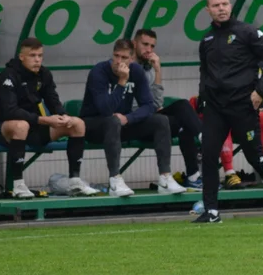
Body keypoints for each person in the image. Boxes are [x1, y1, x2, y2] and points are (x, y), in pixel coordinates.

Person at [195, 0, 263, 223]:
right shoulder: (207, 40)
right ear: (208, 10)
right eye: (216, 5)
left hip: (242, 105)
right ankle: (211, 211)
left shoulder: (247, 32)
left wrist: (260, 91)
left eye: (225, 4)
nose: (221, 8)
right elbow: (204, 72)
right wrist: (203, 99)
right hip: (216, 108)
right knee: (208, 155)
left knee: (254, 156)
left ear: (230, 6)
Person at [0, 38, 97, 200]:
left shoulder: (44, 74)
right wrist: (45, 120)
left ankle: (75, 181)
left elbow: (53, 100)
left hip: (33, 126)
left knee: (77, 124)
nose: (37, 60)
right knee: (21, 126)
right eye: (32, 55)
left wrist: (63, 116)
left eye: (40, 56)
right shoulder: (8, 76)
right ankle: (18, 185)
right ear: (21, 57)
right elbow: (10, 111)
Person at [80, 39, 187, 198]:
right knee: (112, 121)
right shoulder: (99, 72)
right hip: (93, 126)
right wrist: (122, 81)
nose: (118, 61)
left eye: (124, 58)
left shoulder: (136, 71)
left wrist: (129, 118)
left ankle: (165, 178)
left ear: (131, 59)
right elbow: (105, 109)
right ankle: (115, 180)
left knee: (160, 121)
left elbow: (148, 105)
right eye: (116, 56)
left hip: (121, 124)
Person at [133, 28, 204, 189]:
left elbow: (157, 103)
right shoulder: (126, 67)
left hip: (153, 118)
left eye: (152, 46)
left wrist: (157, 70)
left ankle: (193, 176)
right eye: (145, 44)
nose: (149, 50)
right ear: (134, 44)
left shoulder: (149, 68)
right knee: (178, 112)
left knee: (183, 113)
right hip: (135, 121)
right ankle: (205, 139)